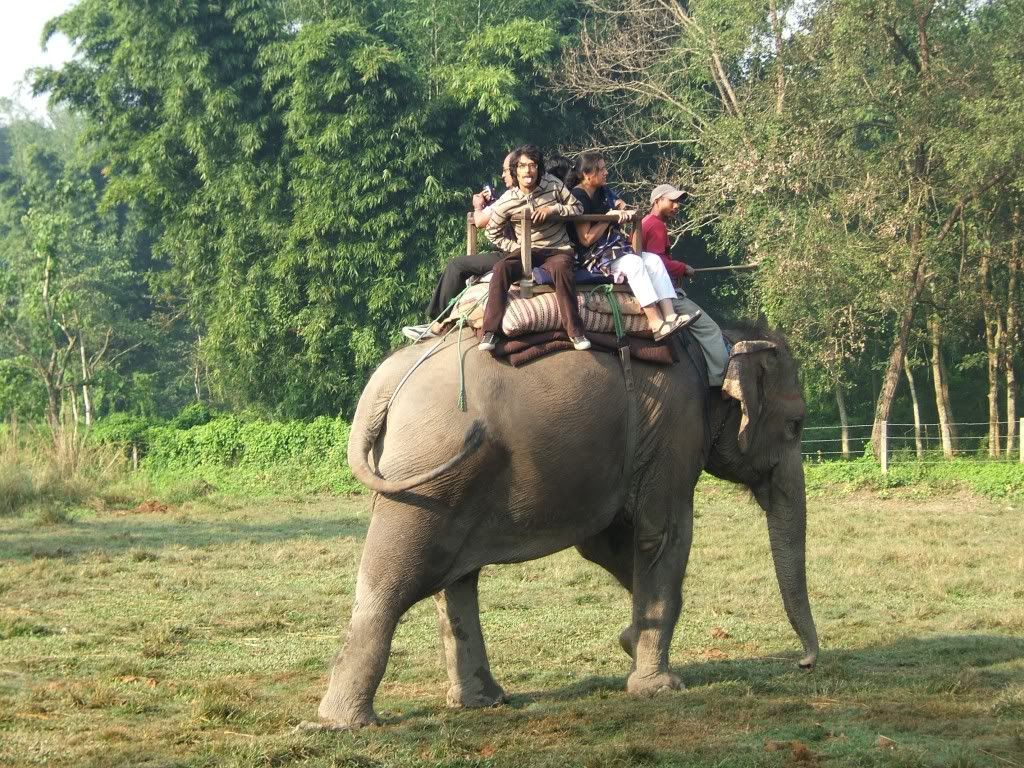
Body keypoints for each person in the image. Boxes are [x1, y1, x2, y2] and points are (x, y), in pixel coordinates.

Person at [565, 153, 696, 342]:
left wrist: (622, 208)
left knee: (653, 259)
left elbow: (618, 202)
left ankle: (670, 317)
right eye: (601, 169)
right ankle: (655, 323)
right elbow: (586, 239)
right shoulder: (578, 196)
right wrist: (610, 216)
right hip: (593, 255)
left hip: (613, 248)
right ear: (586, 174)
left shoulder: (601, 190)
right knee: (634, 263)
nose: (606, 172)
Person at [479, 145, 590, 352]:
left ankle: (575, 331)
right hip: (526, 251)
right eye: (522, 166)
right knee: (501, 268)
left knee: (562, 269)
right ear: (515, 171)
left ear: (538, 169)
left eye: (532, 165)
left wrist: (553, 209)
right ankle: (490, 332)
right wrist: (516, 247)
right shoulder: (508, 200)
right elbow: (491, 232)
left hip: (557, 248)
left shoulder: (553, 185)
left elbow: (578, 208)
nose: (528, 171)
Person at [402, 152, 516, 342]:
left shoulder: (513, 195)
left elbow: (479, 221)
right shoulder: (539, 192)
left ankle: (439, 321)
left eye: (505, 171)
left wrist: (479, 206)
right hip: (521, 251)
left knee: (457, 265)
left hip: (512, 253)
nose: (503, 176)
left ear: (516, 170)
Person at [642, 183, 730, 386]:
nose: (677, 205)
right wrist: (683, 268)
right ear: (657, 201)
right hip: (664, 294)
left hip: (654, 289)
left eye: (678, 202)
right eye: (672, 200)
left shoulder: (645, 222)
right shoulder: (656, 225)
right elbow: (659, 263)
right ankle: (720, 380)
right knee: (710, 329)